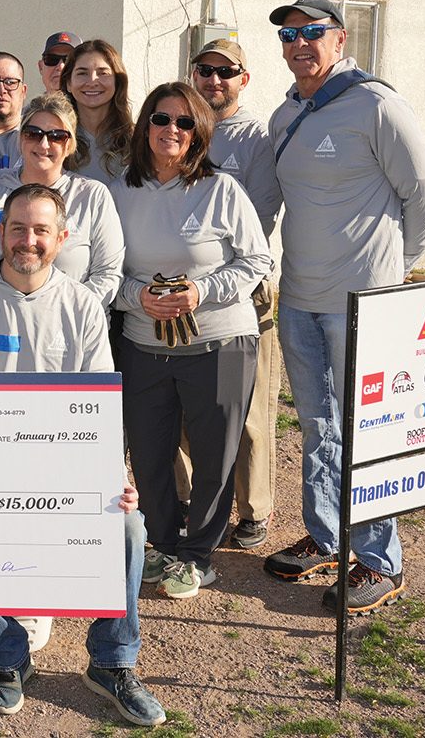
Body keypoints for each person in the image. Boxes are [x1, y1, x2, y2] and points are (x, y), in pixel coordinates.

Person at [0, 184, 166, 727]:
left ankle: (111, 662)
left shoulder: (80, 306)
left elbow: (99, 407)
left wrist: (114, 478)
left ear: (61, 238)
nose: (27, 241)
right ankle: (8, 659)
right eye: (17, 229)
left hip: (59, 470)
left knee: (127, 529)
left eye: (40, 231)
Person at [262, 0, 425, 614]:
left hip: (362, 303)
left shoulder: (376, 104)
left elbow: (424, 194)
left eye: (313, 32)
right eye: (289, 36)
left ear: (340, 40)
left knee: (367, 431)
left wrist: (397, 270)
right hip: (301, 300)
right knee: (318, 427)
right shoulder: (285, 115)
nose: (299, 44)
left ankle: (378, 560)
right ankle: (326, 534)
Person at [110, 82, 271, 601]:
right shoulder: (119, 190)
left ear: (199, 132)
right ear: (145, 126)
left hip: (220, 343)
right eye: (161, 119)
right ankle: (159, 542)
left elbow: (258, 261)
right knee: (151, 451)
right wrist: (139, 297)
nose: (171, 131)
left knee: (214, 452)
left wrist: (201, 290)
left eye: (184, 122)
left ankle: (199, 554)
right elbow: (106, 270)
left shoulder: (222, 189)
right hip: (144, 343)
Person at [181, 38, 284, 550]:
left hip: (241, 288)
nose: (214, 80)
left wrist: (207, 268)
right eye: (205, 70)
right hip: (177, 290)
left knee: (246, 409)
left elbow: (260, 219)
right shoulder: (179, 127)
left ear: (244, 79)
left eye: (227, 71)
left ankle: (253, 508)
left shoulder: (256, 140)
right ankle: (188, 499)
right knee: (182, 406)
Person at [0, 91, 124, 309]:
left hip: (73, 328)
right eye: (34, 134)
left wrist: (63, 316)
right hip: (6, 324)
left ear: (69, 145)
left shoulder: (93, 196)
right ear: (20, 139)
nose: (44, 144)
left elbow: (108, 274)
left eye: (57, 136)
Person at [63, 39, 134, 188]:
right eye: (82, 73)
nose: (93, 81)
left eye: (103, 73)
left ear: (117, 82)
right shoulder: (54, 138)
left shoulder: (136, 141)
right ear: (69, 83)